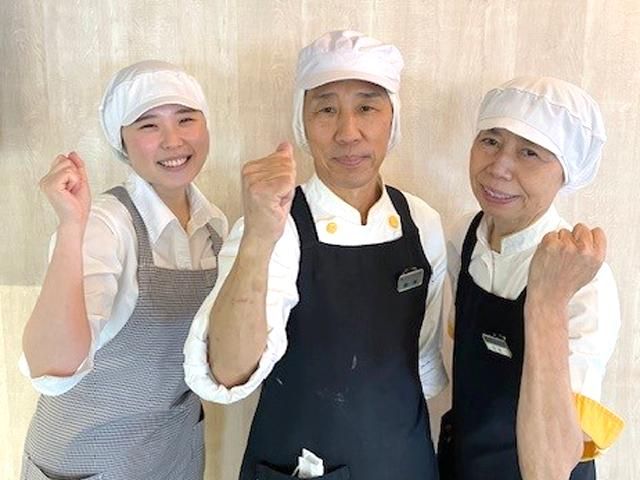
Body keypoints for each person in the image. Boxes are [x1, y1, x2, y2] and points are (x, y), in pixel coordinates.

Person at [184, 30, 447, 479]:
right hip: (299, 462)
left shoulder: (421, 222)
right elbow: (226, 373)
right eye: (326, 109)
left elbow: (422, 362)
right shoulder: (273, 226)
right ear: (302, 123)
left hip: (403, 460)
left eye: (367, 108)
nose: (348, 133)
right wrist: (259, 238)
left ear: (393, 120)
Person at [19, 60, 227, 480]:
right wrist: (71, 226)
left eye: (186, 119)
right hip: (85, 460)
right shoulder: (104, 225)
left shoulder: (215, 228)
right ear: (122, 142)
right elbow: (52, 370)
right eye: (149, 125)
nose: (173, 140)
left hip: (175, 454)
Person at [437, 76, 624, 480]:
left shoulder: (586, 283)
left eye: (529, 152)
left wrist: (547, 301)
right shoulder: (461, 236)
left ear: (565, 173)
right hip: (465, 462)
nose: (499, 168)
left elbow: (551, 467)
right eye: (491, 141)